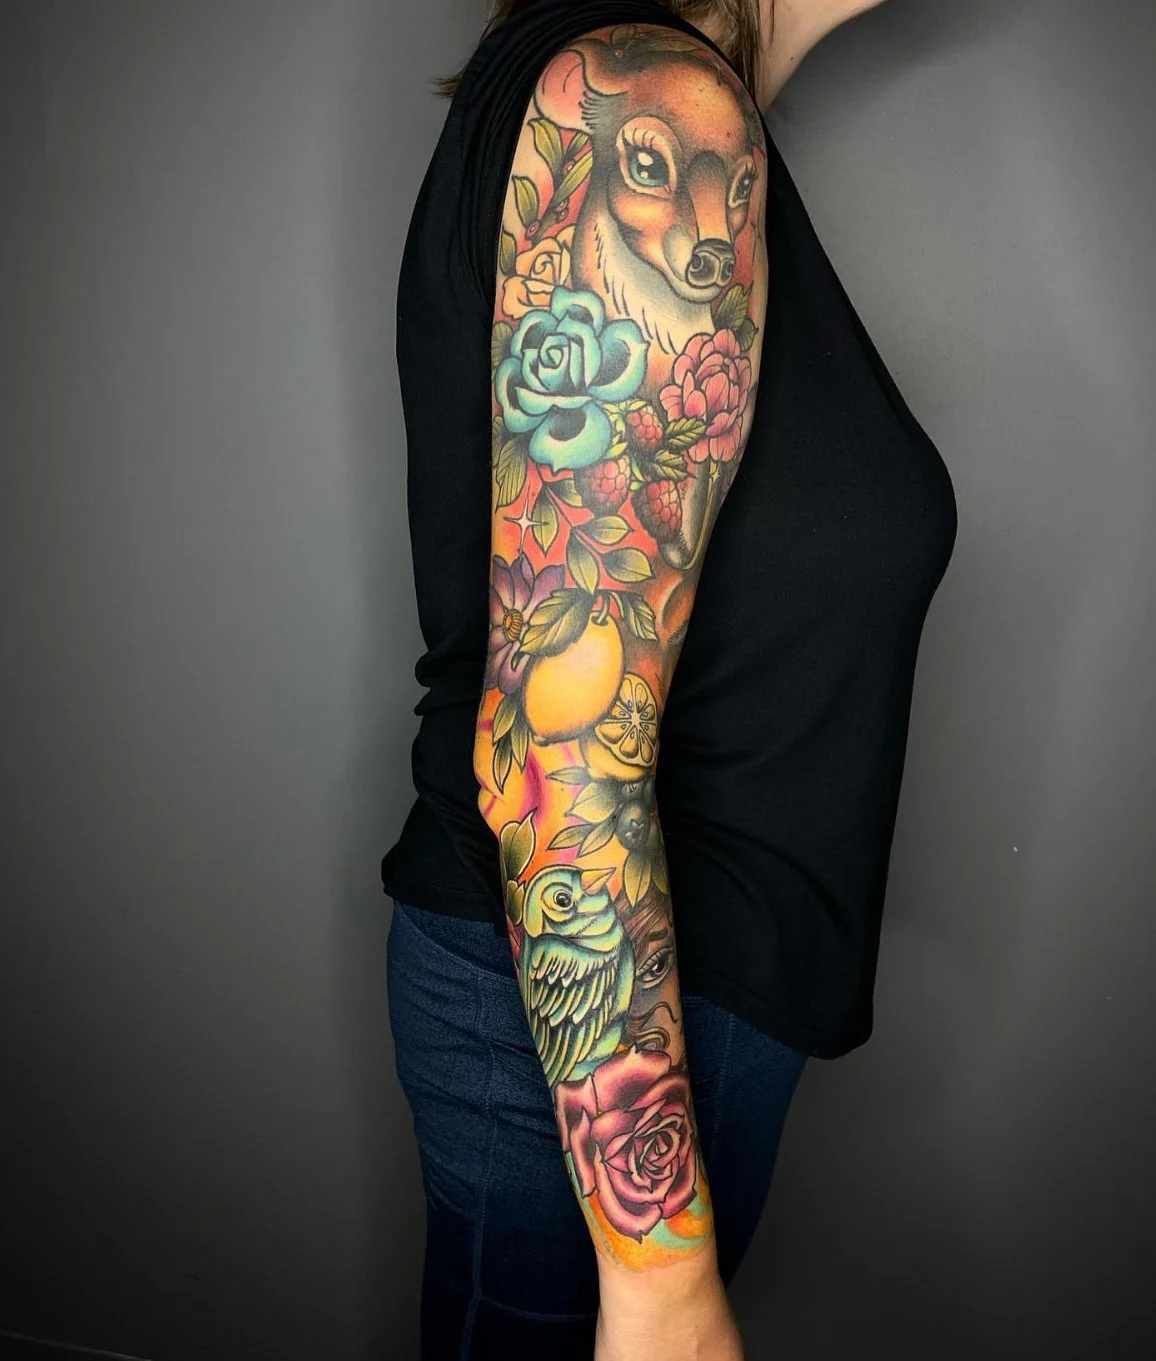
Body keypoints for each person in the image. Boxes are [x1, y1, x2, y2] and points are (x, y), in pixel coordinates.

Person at [381, 0, 958, 1355]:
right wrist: (661, 1284)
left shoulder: (653, 107)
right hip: (599, 1047)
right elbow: (561, 756)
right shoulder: (644, 99)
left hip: (648, 1016)